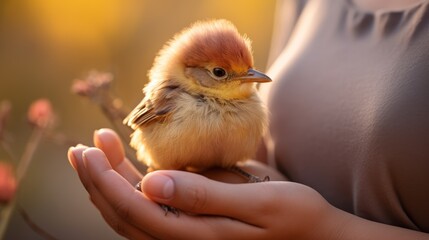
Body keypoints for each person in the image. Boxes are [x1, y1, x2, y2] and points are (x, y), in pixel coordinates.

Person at [67, 0, 429, 239]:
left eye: (248, 70)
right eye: (222, 73)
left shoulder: (248, 101)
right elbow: (140, 123)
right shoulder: (173, 94)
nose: (249, 79)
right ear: (195, 75)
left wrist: (324, 231)